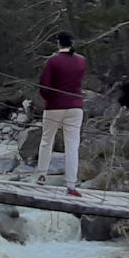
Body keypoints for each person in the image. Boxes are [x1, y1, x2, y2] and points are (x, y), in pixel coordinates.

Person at [36, 32, 88, 195]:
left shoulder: (52, 61)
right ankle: (71, 185)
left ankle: (42, 176)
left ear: (59, 44)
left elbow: (44, 88)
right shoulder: (81, 61)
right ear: (71, 44)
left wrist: (50, 98)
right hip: (75, 107)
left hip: (54, 107)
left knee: (46, 140)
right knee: (72, 146)